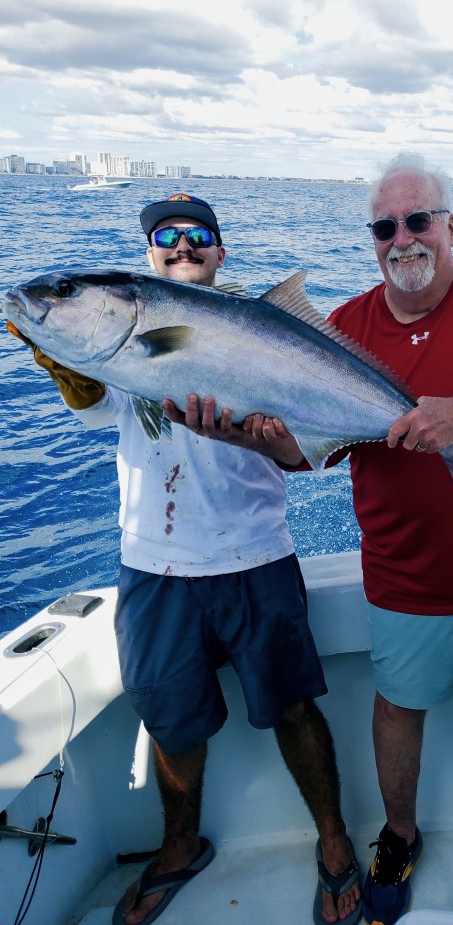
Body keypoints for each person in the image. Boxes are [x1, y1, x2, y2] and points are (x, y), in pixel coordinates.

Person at [166, 154, 453, 925]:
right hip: (402, 580)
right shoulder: (349, 329)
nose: (403, 238)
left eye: (418, 220)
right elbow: (305, 454)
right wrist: (249, 438)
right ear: (371, 239)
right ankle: (399, 837)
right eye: (384, 227)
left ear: (450, 227)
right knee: (398, 708)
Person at [7, 193, 361, 925]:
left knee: (294, 709)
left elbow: (303, 457)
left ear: (220, 252)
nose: (182, 245)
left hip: (256, 556)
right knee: (171, 724)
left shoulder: (252, 325)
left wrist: (264, 437)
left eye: (199, 235)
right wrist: (57, 350)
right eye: (165, 236)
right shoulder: (119, 349)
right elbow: (97, 407)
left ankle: (333, 843)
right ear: (146, 260)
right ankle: (178, 847)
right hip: (154, 565)